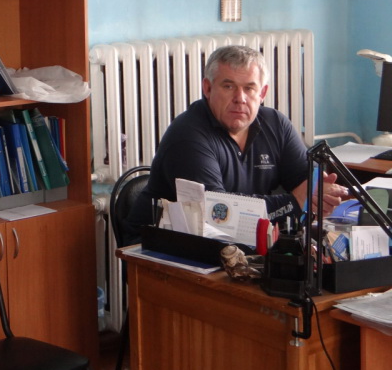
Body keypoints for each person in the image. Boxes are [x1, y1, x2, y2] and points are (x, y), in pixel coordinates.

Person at [122, 45, 347, 243]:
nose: (240, 98)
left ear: (262, 93)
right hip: (160, 252)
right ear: (207, 88)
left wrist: (319, 195)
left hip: (238, 243)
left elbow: (309, 184)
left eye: (249, 88)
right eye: (228, 86)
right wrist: (296, 201)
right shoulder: (187, 136)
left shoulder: (276, 124)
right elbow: (219, 215)